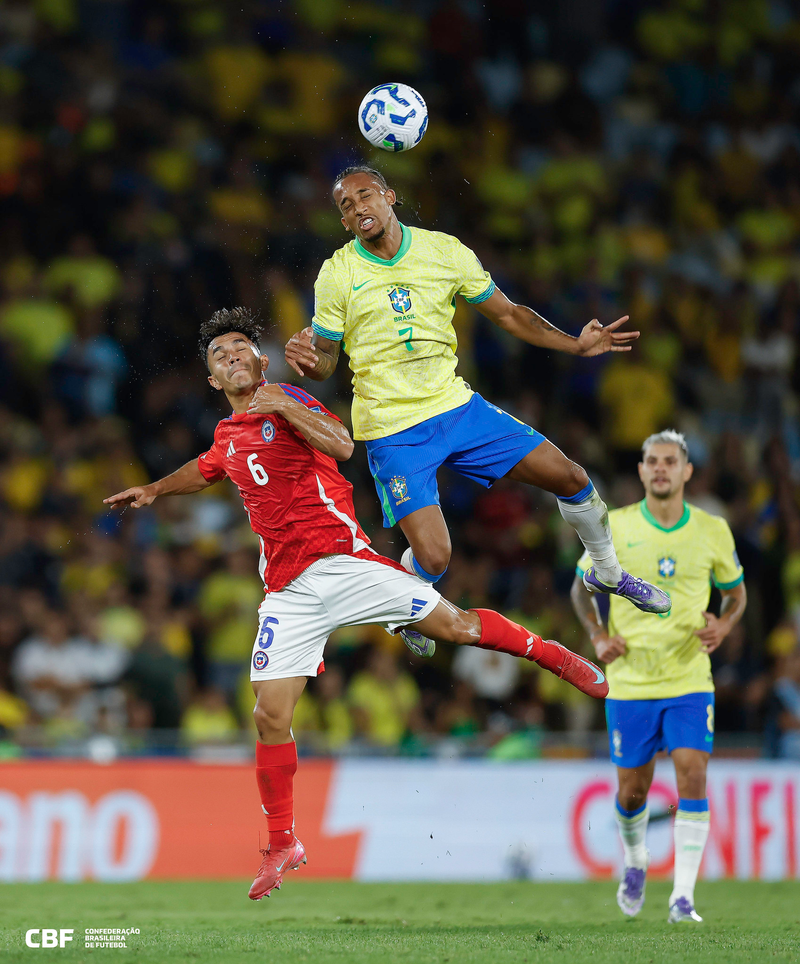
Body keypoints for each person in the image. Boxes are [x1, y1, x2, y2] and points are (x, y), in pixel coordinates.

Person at [104, 308, 609, 902]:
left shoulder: (289, 398)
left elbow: (343, 444)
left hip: (343, 561)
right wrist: (156, 488)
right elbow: (207, 468)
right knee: (269, 715)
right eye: (220, 354)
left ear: (261, 360)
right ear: (212, 380)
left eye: (241, 346)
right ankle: (282, 843)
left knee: (456, 627)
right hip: (288, 591)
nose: (232, 355)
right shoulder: (227, 436)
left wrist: (284, 404)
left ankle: (558, 658)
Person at [284, 165, 670, 661]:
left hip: (457, 408)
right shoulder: (338, 273)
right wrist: (310, 362)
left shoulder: (444, 252)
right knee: (434, 558)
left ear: (389, 196)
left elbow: (508, 314)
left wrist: (574, 344)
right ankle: (403, 606)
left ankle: (609, 572)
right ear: (342, 221)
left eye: (366, 195)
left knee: (572, 476)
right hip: (392, 429)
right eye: (346, 205)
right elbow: (327, 361)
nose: (359, 208)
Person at [570, 430, 747, 924]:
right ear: (641, 470)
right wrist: (598, 635)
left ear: (687, 471)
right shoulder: (617, 526)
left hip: (689, 678)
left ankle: (683, 898)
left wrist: (724, 624)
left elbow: (736, 594)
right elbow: (581, 589)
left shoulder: (712, 529)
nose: (661, 468)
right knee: (633, 792)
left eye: (671, 461)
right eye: (653, 461)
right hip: (630, 681)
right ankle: (635, 860)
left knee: (693, 772)